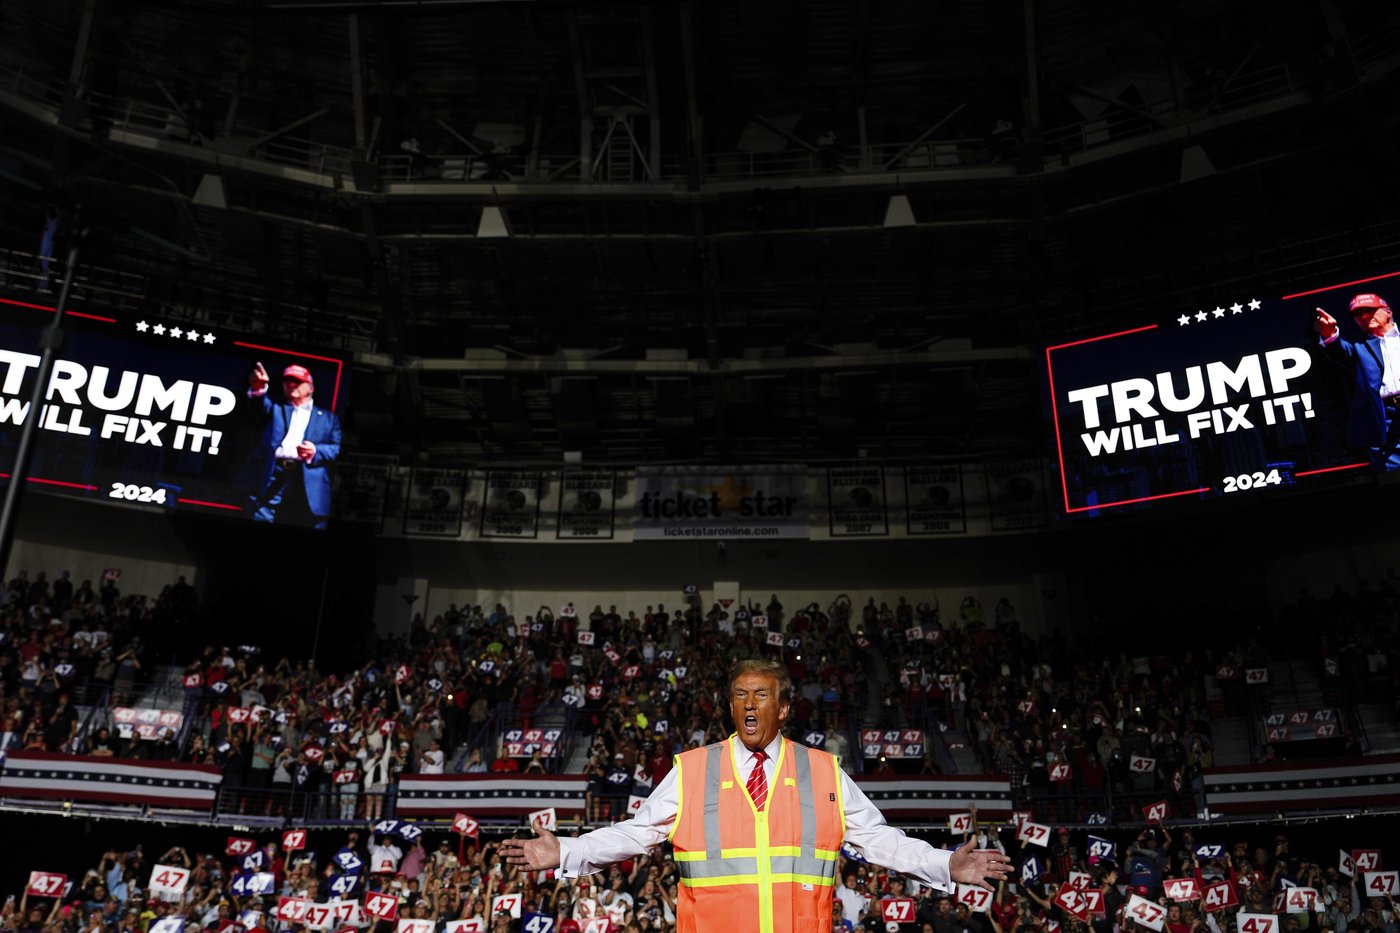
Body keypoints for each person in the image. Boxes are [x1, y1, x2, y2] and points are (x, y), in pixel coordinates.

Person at [502, 658, 1012, 933]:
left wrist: (946, 865)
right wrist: (566, 850)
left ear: (784, 708)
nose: (749, 704)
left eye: (761, 694)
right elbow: (635, 834)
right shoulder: (693, 770)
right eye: (739, 695)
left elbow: (880, 841)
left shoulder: (823, 772)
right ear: (730, 707)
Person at [239, 361, 342, 527]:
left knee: (307, 522)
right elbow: (258, 408)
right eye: (287, 381)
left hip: (307, 477)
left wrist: (315, 450)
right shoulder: (276, 408)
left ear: (311, 387)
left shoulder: (329, 418)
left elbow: (336, 449)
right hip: (274, 472)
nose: (292, 385)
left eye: (297, 381)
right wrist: (258, 389)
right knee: (261, 516)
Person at [1313, 293, 1400, 469]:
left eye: (1369, 310)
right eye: (1358, 315)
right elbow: (1339, 351)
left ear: (1388, 312)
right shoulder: (1358, 347)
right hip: (1386, 417)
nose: (1364, 316)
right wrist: (1329, 334)